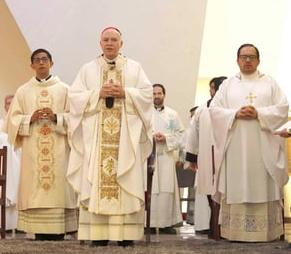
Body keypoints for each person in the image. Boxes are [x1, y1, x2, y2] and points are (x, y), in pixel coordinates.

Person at [67, 27, 153, 247]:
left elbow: (146, 94)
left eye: (114, 39)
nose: (110, 43)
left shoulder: (135, 68)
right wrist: (98, 94)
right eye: (106, 39)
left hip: (125, 138)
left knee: (125, 176)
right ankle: (98, 235)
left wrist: (125, 92)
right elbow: (74, 98)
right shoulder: (88, 69)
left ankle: (125, 236)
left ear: (121, 44)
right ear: (100, 43)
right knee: (96, 178)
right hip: (96, 136)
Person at [209, 44, 289, 242]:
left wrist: (259, 113)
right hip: (235, 146)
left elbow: (283, 108)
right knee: (238, 182)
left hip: (263, 149)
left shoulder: (269, 83)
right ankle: (234, 232)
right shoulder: (228, 85)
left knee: (261, 181)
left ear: (258, 61)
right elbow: (214, 110)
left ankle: (265, 232)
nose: (247, 60)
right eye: (243, 57)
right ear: (237, 60)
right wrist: (235, 113)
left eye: (251, 57)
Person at [4, 48, 77, 241]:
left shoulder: (64, 89)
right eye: (37, 60)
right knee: (35, 186)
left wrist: (57, 117)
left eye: (45, 59)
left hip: (59, 149)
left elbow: (76, 119)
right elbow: (12, 120)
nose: (41, 63)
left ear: (51, 63)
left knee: (58, 188)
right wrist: (29, 118)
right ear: (32, 65)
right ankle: (37, 230)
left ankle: (60, 229)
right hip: (33, 151)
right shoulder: (23, 90)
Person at [185, 76, 227, 237]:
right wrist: (193, 157)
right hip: (208, 157)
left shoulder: (231, 107)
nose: (210, 91)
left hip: (227, 156)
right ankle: (214, 225)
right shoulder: (203, 109)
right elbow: (193, 134)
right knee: (211, 191)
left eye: (211, 88)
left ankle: (224, 226)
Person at [149, 83, 184, 234]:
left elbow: (181, 135)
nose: (157, 96)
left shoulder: (173, 114)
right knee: (150, 189)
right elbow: (138, 133)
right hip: (150, 156)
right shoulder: (145, 114)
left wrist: (166, 138)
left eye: (159, 93)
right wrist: (152, 137)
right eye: (154, 94)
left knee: (166, 189)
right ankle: (148, 223)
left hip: (167, 157)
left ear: (164, 95)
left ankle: (166, 224)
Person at [0, 94, 21, 232]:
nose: (10, 105)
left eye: (13, 103)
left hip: (21, 164)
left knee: (22, 188)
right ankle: (4, 226)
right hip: (4, 166)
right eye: (8, 103)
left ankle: (21, 226)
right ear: (4, 106)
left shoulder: (22, 122)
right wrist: (8, 139)